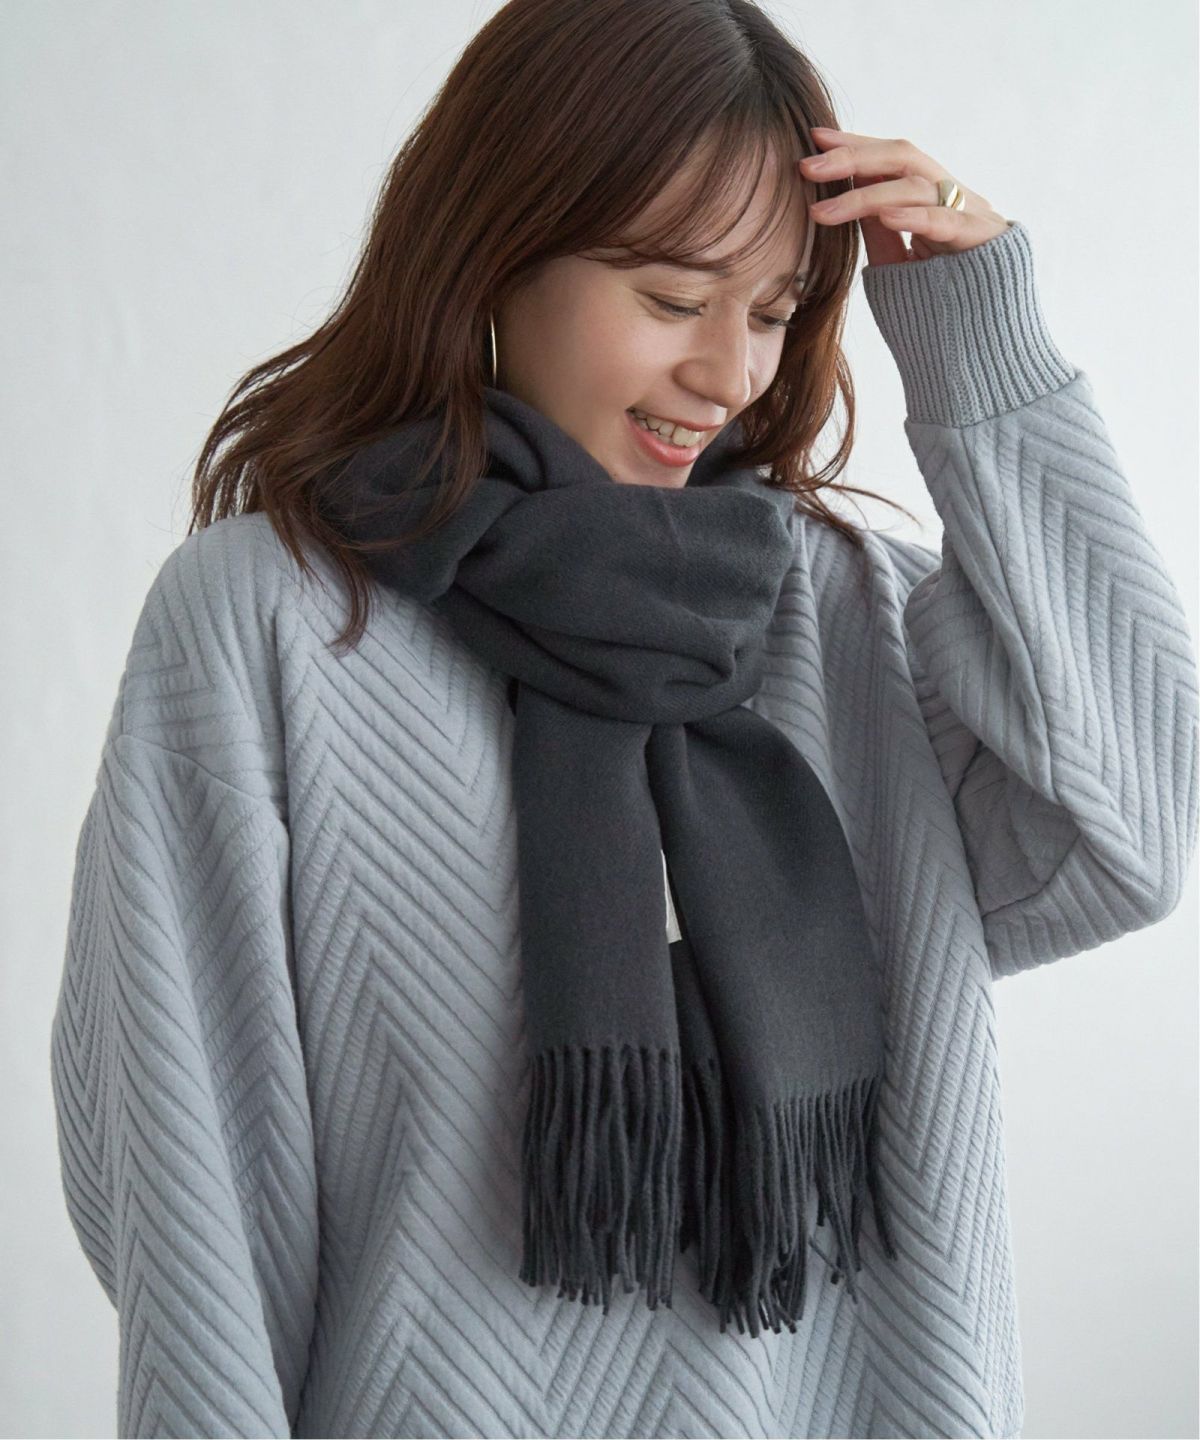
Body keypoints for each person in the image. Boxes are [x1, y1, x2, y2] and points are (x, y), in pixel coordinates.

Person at [49, 1, 1197, 1437]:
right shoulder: (274, 623)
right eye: (670, 298)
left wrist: (985, 348)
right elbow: (185, 1183)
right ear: (493, 254)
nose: (730, 375)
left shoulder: (841, 613)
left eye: (772, 312)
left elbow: (1132, 831)